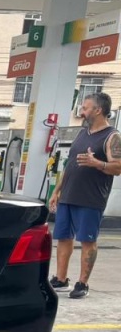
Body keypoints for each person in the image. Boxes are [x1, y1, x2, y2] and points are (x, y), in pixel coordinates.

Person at [48, 92, 120, 299]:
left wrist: (97, 163)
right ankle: (61, 279)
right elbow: (70, 165)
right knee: (63, 237)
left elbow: (118, 167)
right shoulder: (82, 133)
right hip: (68, 195)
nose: (81, 111)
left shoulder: (112, 136)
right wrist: (57, 191)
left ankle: (82, 283)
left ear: (98, 110)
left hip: (90, 198)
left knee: (87, 240)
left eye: (85, 108)